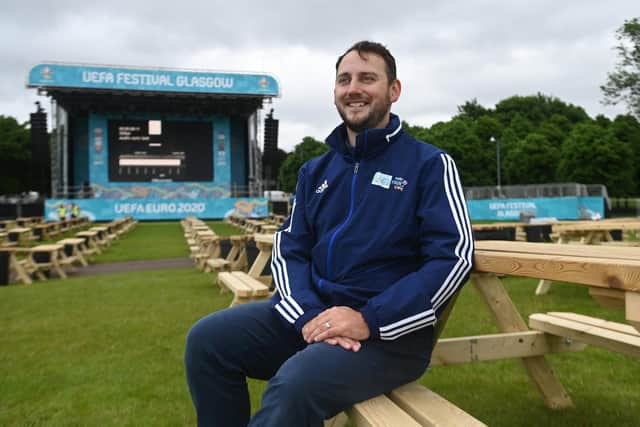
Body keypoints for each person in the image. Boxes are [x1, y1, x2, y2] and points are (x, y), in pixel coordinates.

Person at [185, 41, 474, 427]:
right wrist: (311, 316)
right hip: (315, 316)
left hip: (386, 336)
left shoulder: (430, 164)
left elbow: (453, 257)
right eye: (344, 79)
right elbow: (290, 251)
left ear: (394, 90)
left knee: (294, 386)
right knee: (208, 341)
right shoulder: (315, 172)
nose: (353, 88)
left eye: (367, 78)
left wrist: (368, 319)